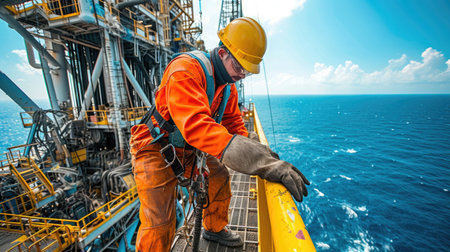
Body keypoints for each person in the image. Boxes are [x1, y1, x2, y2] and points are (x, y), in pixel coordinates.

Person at [130, 17, 310, 252]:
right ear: (223, 53)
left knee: (218, 177)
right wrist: (262, 164)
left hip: (188, 148)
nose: (242, 75)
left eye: (247, 71)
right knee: (159, 222)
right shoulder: (185, 70)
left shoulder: (227, 88)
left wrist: (267, 156)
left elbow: (235, 124)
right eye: (239, 67)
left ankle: (214, 228)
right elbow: (196, 126)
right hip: (155, 147)